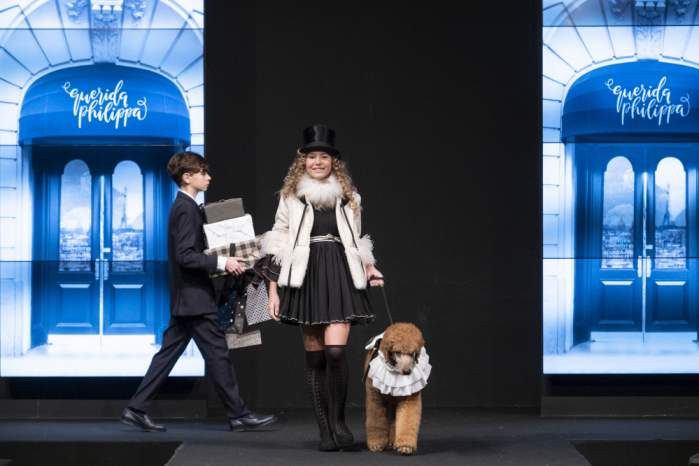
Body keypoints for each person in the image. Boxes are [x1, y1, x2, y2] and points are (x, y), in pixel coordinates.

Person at [121, 151, 277, 432]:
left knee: (169, 355)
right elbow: (185, 256)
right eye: (203, 173)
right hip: (194, 298)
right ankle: (239, 414)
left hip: (188, 298)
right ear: (187, 177)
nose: (209, 177)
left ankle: (136, 409)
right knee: (218, 355)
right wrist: (223, 262)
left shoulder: (186, 206)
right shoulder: (186, 208)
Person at [259, 125, 384, 451]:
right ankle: (325, 430)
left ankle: (339, 421)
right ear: (303, 160)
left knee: (336, 352)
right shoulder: (291, 197)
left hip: (340, 272)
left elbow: (356, 239)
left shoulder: (349, 196)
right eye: (312, 156)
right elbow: (278, 240)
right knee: (315, 359)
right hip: (306, 275)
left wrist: (369, 266)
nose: (317, 162)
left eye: (324, 157)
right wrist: (272, 290)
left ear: (333, 162)